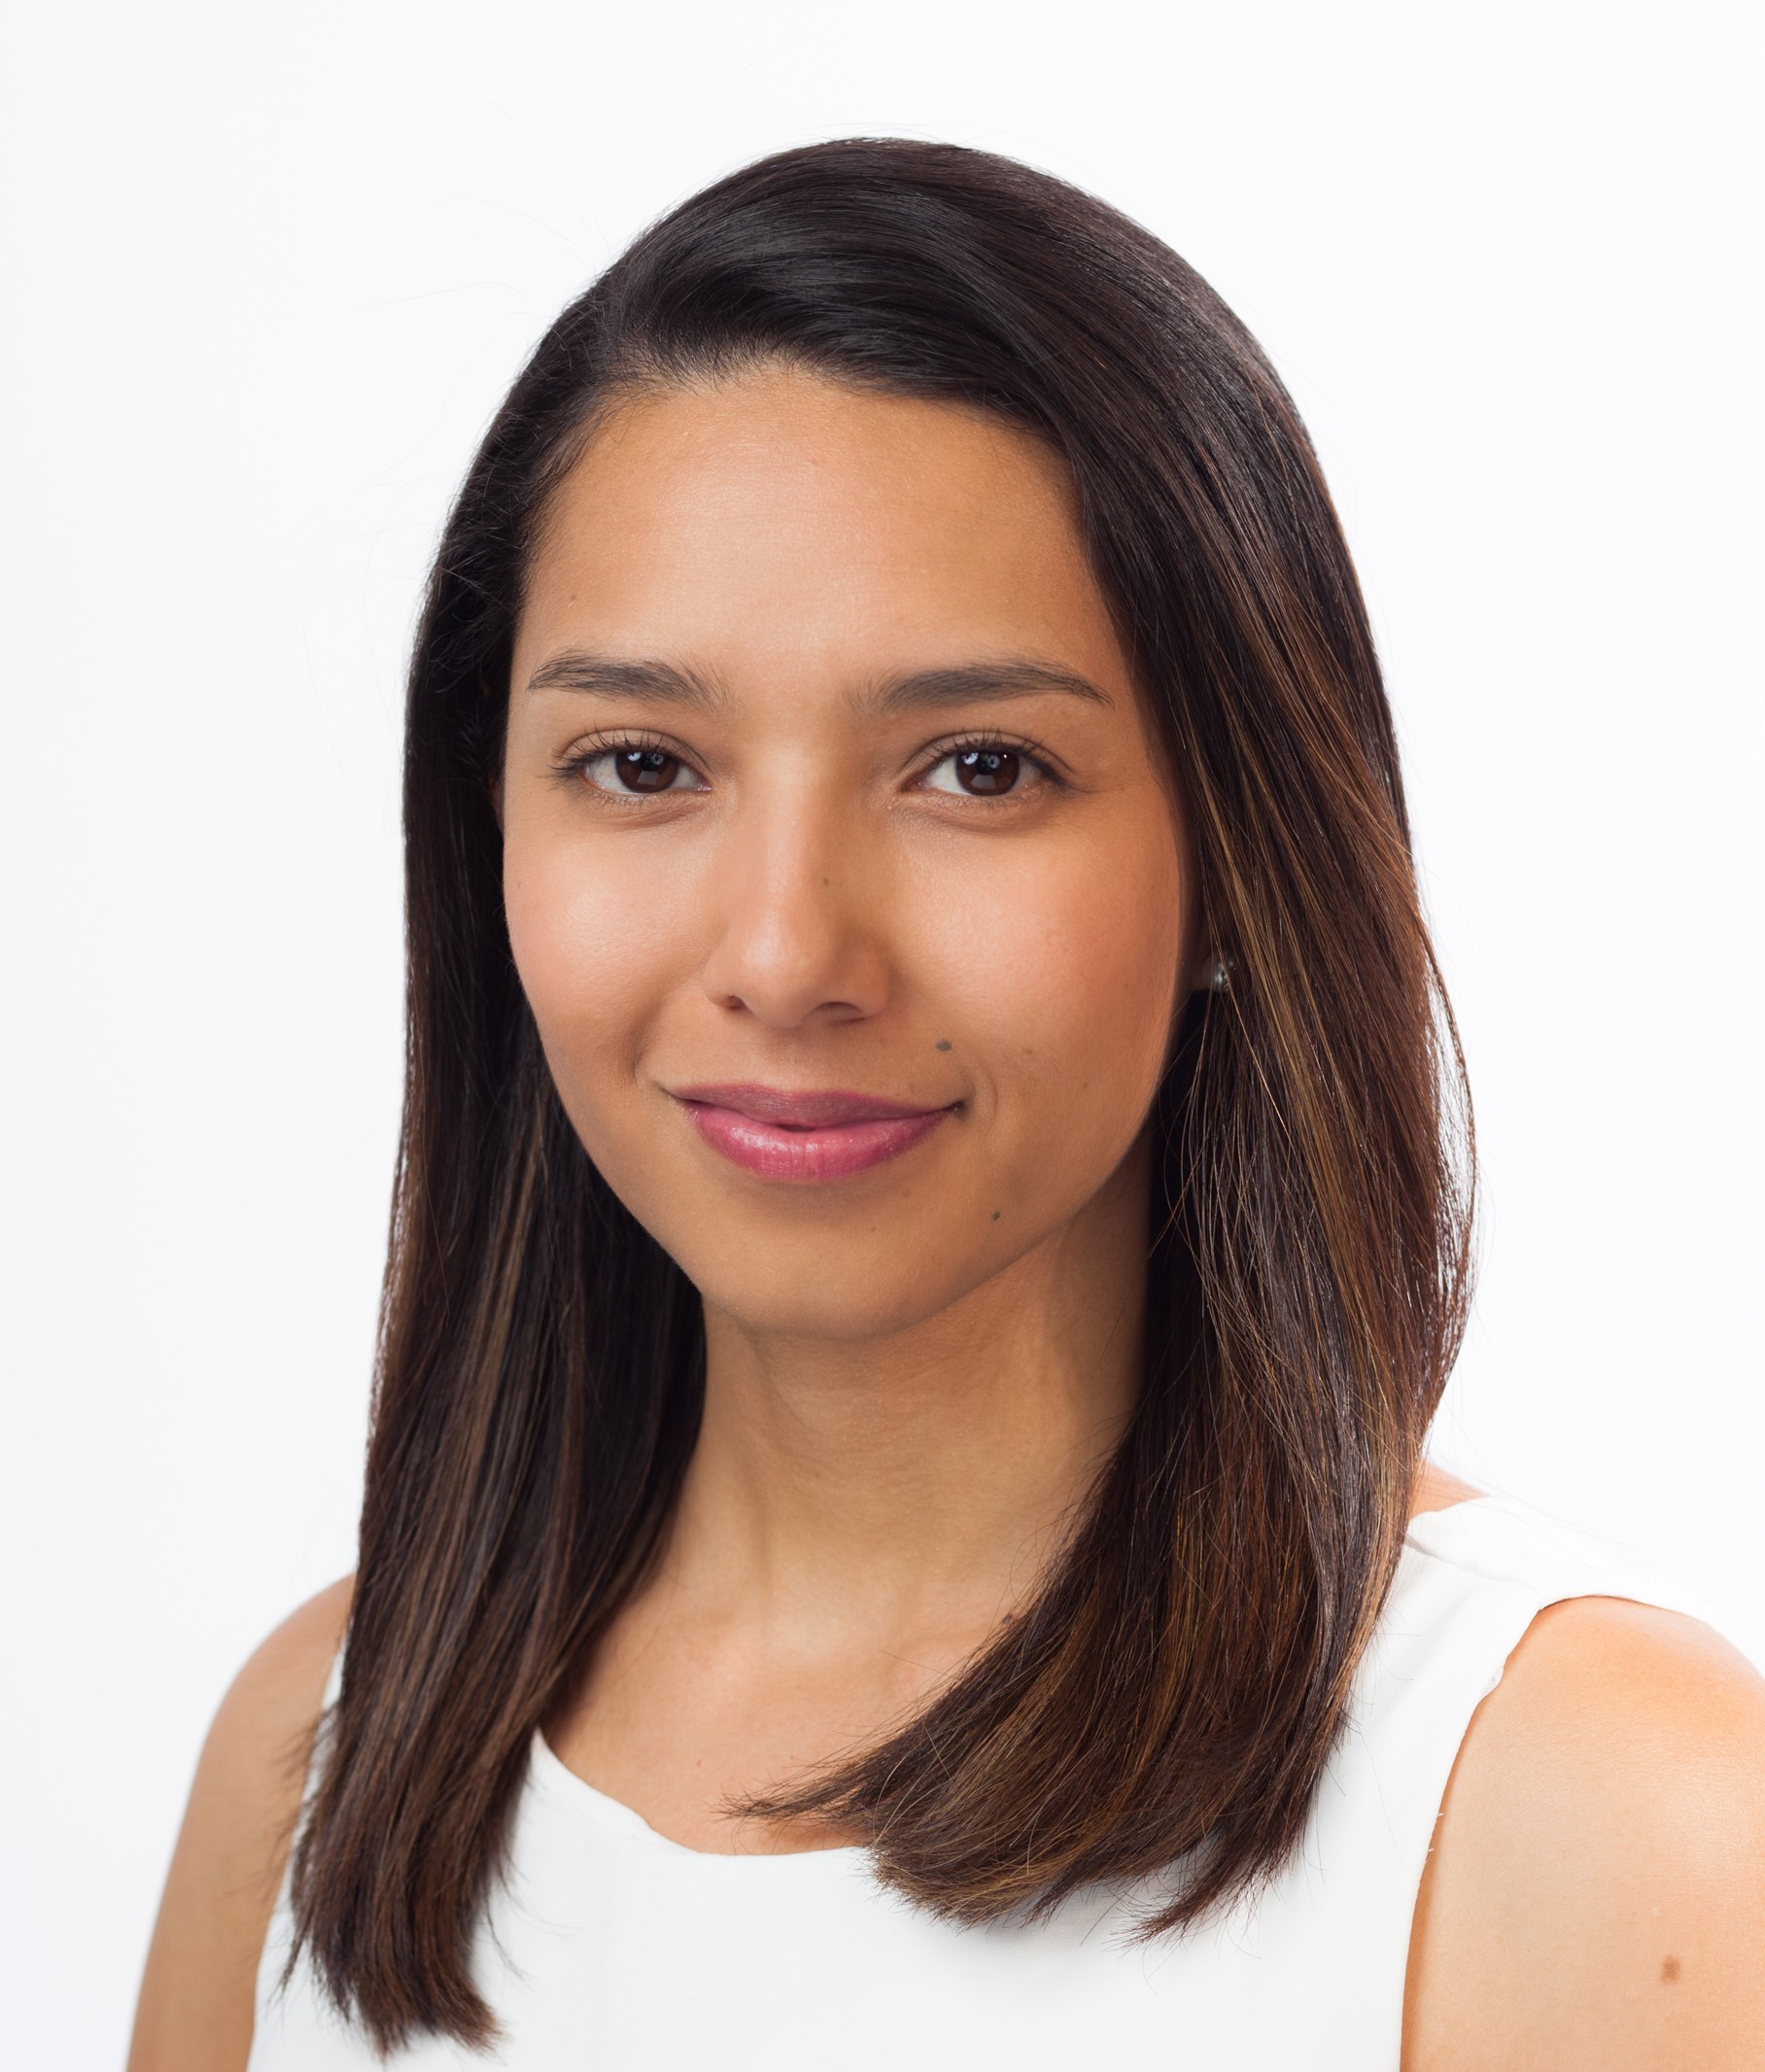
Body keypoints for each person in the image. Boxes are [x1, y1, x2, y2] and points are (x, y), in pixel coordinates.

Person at [128, 139, 1765, 2071]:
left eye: (978, 767)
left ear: (1236, 863)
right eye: (642, 763)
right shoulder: (318, 1758)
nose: (785, 952)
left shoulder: (1603, 1816)